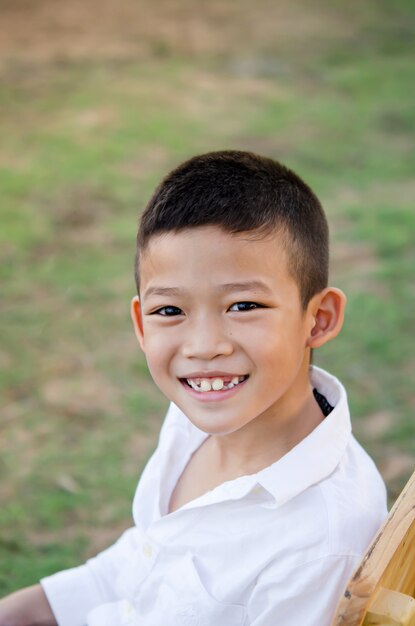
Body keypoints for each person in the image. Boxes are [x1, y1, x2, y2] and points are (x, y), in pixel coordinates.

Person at [0, 151, 387, 626]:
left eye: (243, 305)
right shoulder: (198, 415)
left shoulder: (318, 543)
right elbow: (145, 563)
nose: (204, 347)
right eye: (170, 311)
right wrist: (26, 611)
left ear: (318, 319)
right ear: (142, 325)